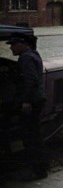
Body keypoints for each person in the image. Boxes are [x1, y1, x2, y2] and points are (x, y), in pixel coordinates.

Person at [6, 34, 49, 179]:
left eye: (14, 44)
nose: (11, 47)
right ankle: (42, 166)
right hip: (37, 100)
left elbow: (31, 82)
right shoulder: (33, 54)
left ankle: (38, 171)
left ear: (23, 44)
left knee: (30, 137)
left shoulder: (25, 58)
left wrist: (26, 101)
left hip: (31, 102)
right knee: (35, 135)